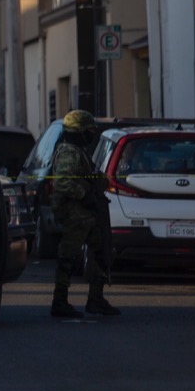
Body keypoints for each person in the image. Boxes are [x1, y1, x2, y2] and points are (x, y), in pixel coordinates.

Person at [49, 109, 120, 318]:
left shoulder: (78, 151)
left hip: (86, 214)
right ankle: (59, 301)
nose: (91, 135)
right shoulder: (70, 152)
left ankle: (95, 299)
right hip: (75, 214)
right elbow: (63, 182)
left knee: (103, 251)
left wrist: (101, 181)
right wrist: (84, 195)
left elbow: (86, 176)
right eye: (89, 131)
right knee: (68, 256)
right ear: (79, 132)